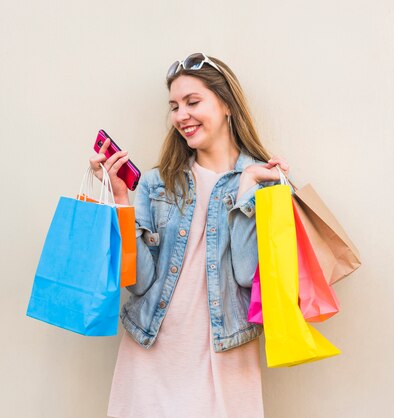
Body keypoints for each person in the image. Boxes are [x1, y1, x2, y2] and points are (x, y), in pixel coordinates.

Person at [89, 53, 289, 418]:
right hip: (152, 350)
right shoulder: (156, 183)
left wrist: (246, 192)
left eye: (193, 102)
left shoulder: (263, 179)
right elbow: (138, 282)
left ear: (226, 104)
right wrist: (122, 199)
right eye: (175, 106)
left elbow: (246, 274)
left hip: (225, 353)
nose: (181, 115)